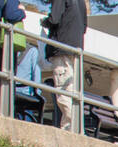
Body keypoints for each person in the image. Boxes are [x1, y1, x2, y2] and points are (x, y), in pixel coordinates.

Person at [41, 0, 86, 133]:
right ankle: (74, 126)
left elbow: (54, 19)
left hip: (62, 48)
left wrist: (44, 22)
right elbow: (84, 27)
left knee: (63, 90)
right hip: (76, 50)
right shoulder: (81, 2)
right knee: (73, 90)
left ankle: (71, 127)